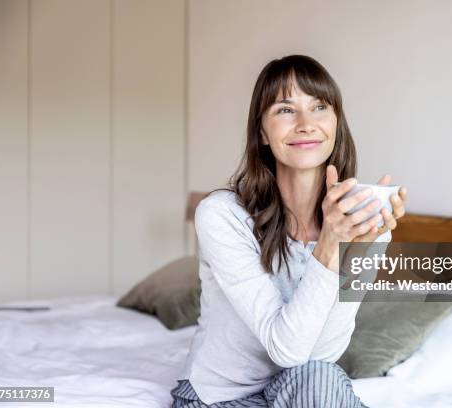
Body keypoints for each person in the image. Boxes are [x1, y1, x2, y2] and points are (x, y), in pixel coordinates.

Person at [171, 55, 407, 408]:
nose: (305, 124)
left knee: (323, 377)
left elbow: (322, 354)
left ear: (336, 124)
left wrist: (356, 251)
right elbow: (286, 350)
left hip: (302, 390)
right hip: (219, 400)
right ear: (262, 132)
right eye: (285, 110)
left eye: (319, 107)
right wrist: (329, 245)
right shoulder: (222, 215)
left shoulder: (358, 224)